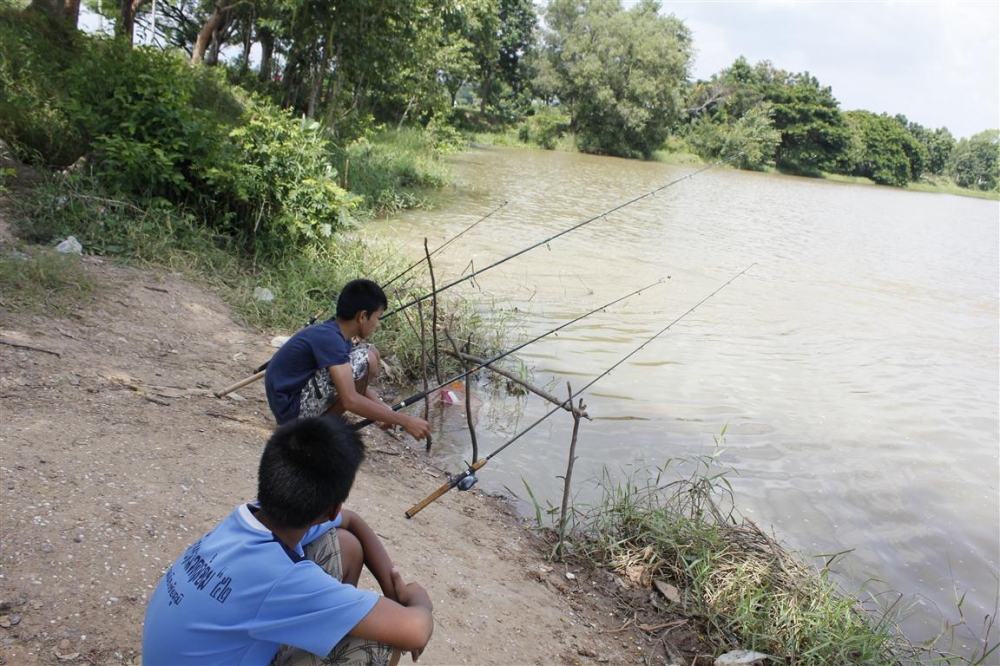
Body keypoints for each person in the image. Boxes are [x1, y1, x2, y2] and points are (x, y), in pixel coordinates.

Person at [142, 416, 434, 666]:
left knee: (346, 546)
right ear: (332, 508)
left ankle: (330, 624)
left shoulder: (249, 519)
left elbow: (352, 521)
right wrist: (417, 599)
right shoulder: (282, 579)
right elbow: (415, 631)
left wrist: (390, 584)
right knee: (383, 642)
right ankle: (334, 625)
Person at [264, 278, 430, 441]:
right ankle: (312, 433)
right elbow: (350, 399)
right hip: (291, 410)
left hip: (292, 402)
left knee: (370, 353)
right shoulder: (331, 339)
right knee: (367, 357)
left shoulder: (337, 334)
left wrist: (386, 411)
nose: (378, 324)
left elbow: (353, 383)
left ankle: (317, 429)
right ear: (363, 316)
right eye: (378, 317)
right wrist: (405, 421)